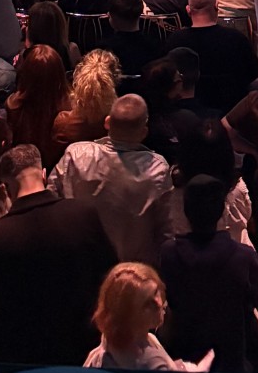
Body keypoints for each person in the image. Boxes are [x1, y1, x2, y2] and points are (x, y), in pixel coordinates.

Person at [0, 144, 116, 366]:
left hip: (20, 363)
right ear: (44, 174)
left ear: (5, 188)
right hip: (83, 355)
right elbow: (111, 280)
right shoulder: (83, 216)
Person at [158, 175, 258, 373]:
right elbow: (254, 304)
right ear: (222, 210)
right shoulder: (244, 257)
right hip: (232, 367)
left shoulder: (168, 254)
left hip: (181, 364)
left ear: (186, 210)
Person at [49, 92, 172, 263]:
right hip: (131, 275)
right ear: (144, 132)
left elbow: (50, 202)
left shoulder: (75, 154)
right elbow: (166, 231)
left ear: (107, 122)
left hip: (80, 267)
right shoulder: (158, 168)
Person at [84, 262, 210, 372]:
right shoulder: (150, 362)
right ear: (128, 315)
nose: (159, 303)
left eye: (156, 292)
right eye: (147, 304)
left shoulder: (110, 345)